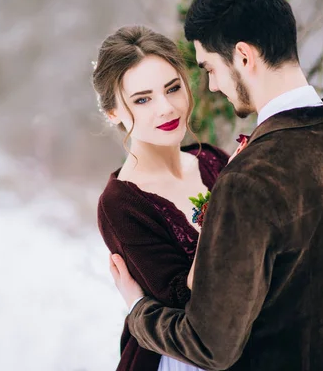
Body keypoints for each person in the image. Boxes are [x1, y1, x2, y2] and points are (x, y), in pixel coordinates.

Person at [109, 0, 323, 370]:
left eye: (210, 67)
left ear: (243, 56)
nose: (211, 84)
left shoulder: (249, 179)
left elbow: (210, 345)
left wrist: (138, 310)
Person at [93, 25, 230, 371]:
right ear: (113, 113)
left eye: (173, 88)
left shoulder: (214, 160)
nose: (166, 108)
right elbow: (188, 304)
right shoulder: (120, 205)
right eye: (143, 99)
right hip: (182, 360)